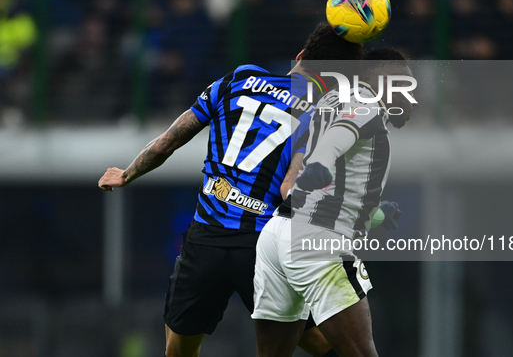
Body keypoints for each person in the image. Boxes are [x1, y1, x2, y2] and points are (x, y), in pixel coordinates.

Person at [98, 23, 363, 357]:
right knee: (320, 343)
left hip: (205, 241)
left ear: (299, 56)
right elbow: (289, 190)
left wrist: (127, 174)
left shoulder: (239, 79)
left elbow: (167, 142)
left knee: (178, 350)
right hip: (263, 248)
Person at [252, 48, 414, 357]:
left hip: (278, 234)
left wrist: (376, 215)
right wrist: (321, 165)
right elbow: (337, 140)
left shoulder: (332, 100)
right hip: (316, 241)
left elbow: (336, 183)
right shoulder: (368, 105)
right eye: (405, 83)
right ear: (383, 79)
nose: (410, 94)